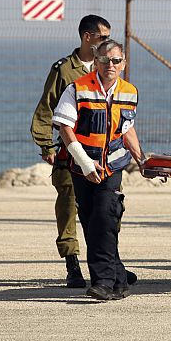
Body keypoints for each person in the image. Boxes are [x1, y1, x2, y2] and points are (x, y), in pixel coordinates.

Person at [53, 39, 144, 301]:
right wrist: (83, 161)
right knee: (92, 222)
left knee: (106, 215)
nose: (110, 65)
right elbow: (65, 127)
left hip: (111, 167)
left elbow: (126, 130)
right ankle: (118, 278)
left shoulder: (129, 92)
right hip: (82, 168)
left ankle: (103, 282)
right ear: (96, 61)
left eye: (116, 60)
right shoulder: (77, 89)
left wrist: (142, 160)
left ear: (123, 63)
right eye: (105, 60)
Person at [31, 14, 113, 287]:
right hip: (70, 151)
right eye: (103, 37)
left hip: (101, 151)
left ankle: (108, 264)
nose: (107, 43)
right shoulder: (64, 70)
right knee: (68, 206)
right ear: (87, 37)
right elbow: (46, 107)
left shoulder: (107, 67)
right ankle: (72, 265)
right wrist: (45, 144)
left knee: (104, 208)